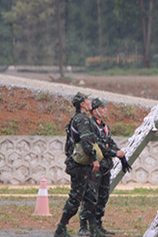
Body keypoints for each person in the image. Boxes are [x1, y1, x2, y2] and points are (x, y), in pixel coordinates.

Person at [55, 93, 105, 237]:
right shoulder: (82, 119)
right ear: (82, 104)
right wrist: (95, 159)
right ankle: (61, 228)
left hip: (82, 163)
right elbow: (86, 141)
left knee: (90, 196)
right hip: (79, 165)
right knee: (75, 198)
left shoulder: (78, 118)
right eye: (88, 100)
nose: (90, 102)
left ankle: (93, 229)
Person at [78, 98, 127, 236]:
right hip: (94, 167)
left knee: (102, 197)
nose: (105, 110)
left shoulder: (104, 126)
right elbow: (97, 145)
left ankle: (98, 225)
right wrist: (114, 153)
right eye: (103, 108)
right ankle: (84, 227)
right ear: (95, 111)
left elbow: (109, 142)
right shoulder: (90, 126)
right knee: (90, 196)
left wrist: (119, 152)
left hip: (105, 167)